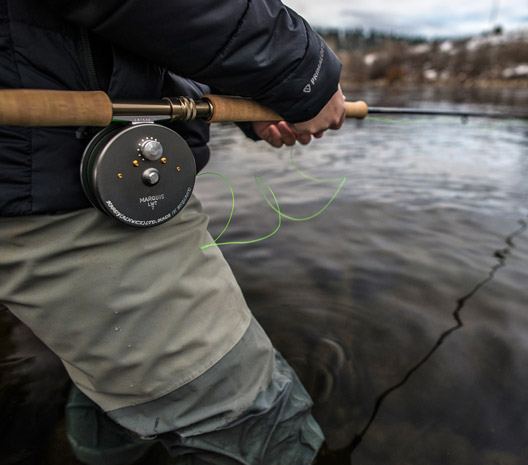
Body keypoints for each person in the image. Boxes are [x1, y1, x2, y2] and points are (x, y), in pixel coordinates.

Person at [0, 0, 345, 463]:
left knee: (106, 368)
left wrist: (246, 99)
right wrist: (304, 71)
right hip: (55, 185)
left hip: (41, 173)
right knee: (254, 421)